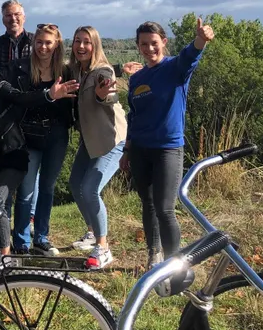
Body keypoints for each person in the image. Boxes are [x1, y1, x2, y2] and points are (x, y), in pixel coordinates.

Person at [0, 52, 78, 263]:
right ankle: (1, 245)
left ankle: (7, 255)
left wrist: (49, 95)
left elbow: (23, 98)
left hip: (13, 156)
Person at [122, 18, 214, 267]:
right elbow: (134, 116)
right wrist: (127, 151)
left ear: (163, 42)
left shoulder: (175, 69)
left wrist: (201, 39)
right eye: (143, 44)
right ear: (138, 46)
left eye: (153, 43)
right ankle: (154, 253)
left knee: (164, 208)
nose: (149, 48)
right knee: (148, 204)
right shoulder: (136, 78)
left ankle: (175, 263)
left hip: (167, 149)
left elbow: (190, 54)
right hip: (140, 149)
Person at [8, 24, 75, 256]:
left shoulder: (66, 71)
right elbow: (20, 99)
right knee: (26, 190)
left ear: (57, 44)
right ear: (33, 43)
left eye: (48, 42)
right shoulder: (21, 68)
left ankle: (41, 237)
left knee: (47, 187)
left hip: (56, 134)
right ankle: (21, 241)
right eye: (39, 42)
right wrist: (49, 95)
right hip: (29, 134)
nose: (43, 47)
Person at [68, 26, 128, 270]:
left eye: (87, 42)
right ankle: (93, 232)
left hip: (113, 140)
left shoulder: (102, 71)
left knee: (90, 189)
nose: (81, 46)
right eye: (77, 41)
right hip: (91, 140)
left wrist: (104, 95)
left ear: (95, 45)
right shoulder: (78, 70)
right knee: (75, 184)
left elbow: (108, 92)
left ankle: (103, 247)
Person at [0, 0, 35, 81]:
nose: (13, 18)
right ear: (3, 20)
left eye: (17, 14)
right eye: (8, 15)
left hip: (33, 91)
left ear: (24, 18)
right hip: (3, 92)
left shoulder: (36, 42)